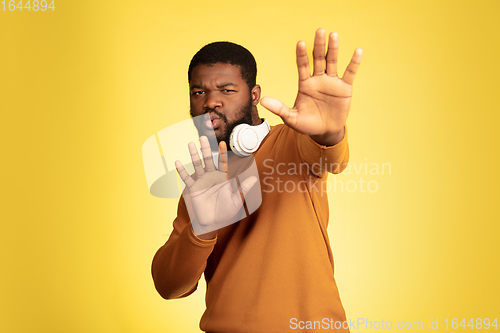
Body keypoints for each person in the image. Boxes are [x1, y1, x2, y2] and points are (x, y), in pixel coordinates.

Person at [151, 28, 362, 332]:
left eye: (226, 90)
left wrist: (328, 130)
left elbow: (331, 159)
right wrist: (202, 228)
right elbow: (169, 285)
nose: (210, 102)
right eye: (199, 92)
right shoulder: (200, 184)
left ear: (254, 95)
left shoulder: (292, 141)